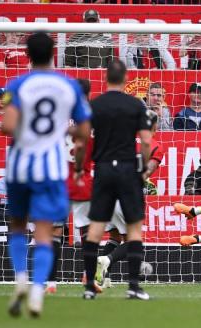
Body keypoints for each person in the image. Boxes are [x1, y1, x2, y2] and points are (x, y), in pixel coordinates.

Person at [1, 32, 91, 317]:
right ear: (53, 52)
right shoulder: (68, 86)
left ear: (26, 54)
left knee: (17, 225)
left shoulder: (16, 85)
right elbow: (85, 131)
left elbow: (7, 126)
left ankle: (20, 278)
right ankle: (38, 290)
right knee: (44, 230)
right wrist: (62, 130)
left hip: (19, 165)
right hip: (50, 168)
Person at [81, 59, 153, 301]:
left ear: (106, 79)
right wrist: (142, 168)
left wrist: (82, 166)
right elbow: (145, 140)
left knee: (96, 229)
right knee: (134, 229)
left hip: (102, 170)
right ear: (125, 79)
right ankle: (133, 286)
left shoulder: (96, 105)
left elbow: (82, 139)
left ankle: (90, 287)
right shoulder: (135, 105)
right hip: (126, 170)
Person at [95, 119, 163, 288]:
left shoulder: (123, 140)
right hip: (127, 194)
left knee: (115, 236)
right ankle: (107, 260)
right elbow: (149, 170)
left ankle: (104, 279)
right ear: (155, 127)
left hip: (106, 192)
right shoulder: (155, 145)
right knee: (134, 239)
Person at [45, 79, 98, 295]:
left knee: (55, 230)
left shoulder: (58, 116)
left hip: (59, 181)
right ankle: (88, 277)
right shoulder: (92, 118)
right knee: (86, 231)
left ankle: (50, 282)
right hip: (83, 180)